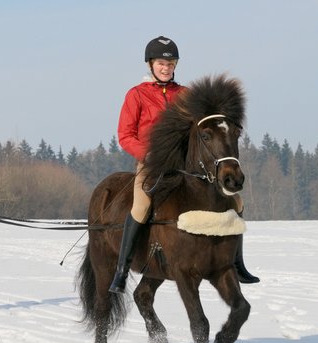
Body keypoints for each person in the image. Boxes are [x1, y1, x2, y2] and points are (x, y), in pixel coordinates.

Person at [108, 36, 259, 294]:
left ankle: (237, 263)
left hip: (187, 167)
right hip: (152, 165)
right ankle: (122, 271)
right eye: (160, 63)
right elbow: (125, 135)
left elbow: (205, 129)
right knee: (142, 204)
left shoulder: (187, 95)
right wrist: (149, 154)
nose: (166, 68)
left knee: (237, 202)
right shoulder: (137, 95)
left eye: (170, 63)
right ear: (150, 65)